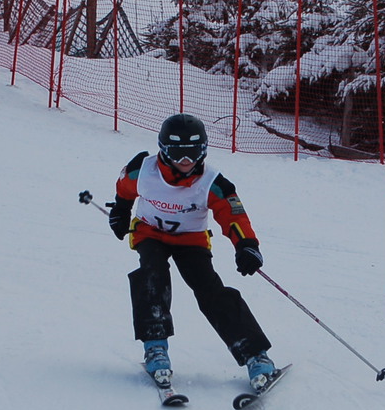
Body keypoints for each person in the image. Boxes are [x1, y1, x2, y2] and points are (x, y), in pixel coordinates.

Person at [108, 113, 276, 390]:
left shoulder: (212, 182)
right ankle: (155, 348)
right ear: (164, 150)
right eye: (178, 153)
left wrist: (246, 245)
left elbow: (233, 215)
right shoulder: (143, 170)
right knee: (151, 275)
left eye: (193, 153)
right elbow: (124, 189)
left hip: (191, 239)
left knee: (210, 290)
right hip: (150, 233)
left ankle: (255, 354)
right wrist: (120, 211)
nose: (186, 161)